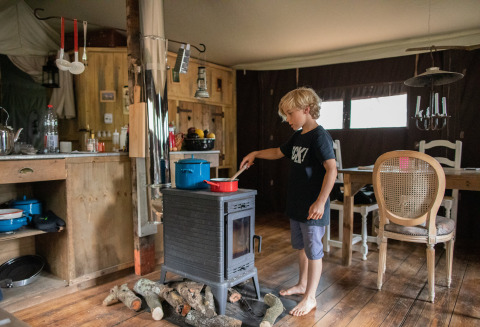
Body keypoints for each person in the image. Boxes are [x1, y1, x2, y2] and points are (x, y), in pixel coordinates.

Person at [240, 87, 337, 317]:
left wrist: (321, 202)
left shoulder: (319, 136)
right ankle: (303, 285)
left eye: (289, 114)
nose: (287, 120)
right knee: (302, 247)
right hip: (298, 205)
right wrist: (255, 153)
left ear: (306, 109)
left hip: (314, 207)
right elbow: (277, 152)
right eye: (285, 115)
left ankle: (311, 297)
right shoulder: (298, 135)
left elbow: (332, 169)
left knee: (314, 251)